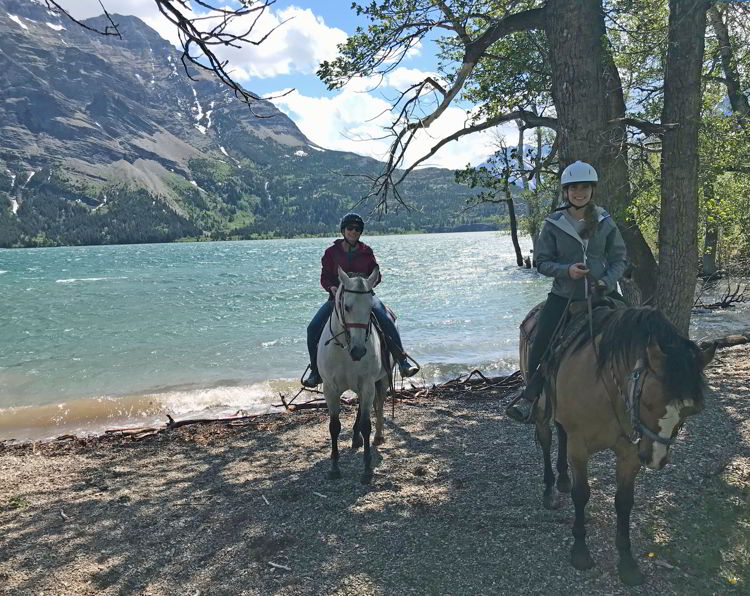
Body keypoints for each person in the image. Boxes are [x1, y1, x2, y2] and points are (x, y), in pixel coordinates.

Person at [506, 161, 627, 423]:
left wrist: (606, 281)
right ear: (566, 191)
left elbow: (619, 259)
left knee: (638, 328)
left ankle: (641, 392)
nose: (579, 193)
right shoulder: (553, 223)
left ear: (592, 190)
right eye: (574, 188)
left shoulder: (605, 221)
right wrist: (567, 270)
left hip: (602, 294)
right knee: (541, 340)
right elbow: (542, 262)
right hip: (564, 295)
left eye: (584, 188)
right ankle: (531, 396)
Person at [302, 212, 419, 388]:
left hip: (365, 297)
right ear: (343, 230)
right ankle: (315, 371)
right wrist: (331, 288)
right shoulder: (331, 252)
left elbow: (377, 275)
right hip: (338, 298)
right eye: (350, 228)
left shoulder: (366, 252)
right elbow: (325, 277)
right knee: (313, 328)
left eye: (357, 229)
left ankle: (402, 362)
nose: (353, 232)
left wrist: (370, 281)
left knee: (387, 318)